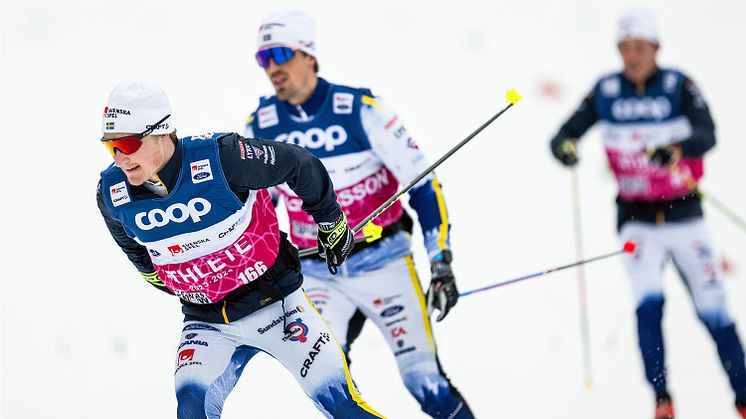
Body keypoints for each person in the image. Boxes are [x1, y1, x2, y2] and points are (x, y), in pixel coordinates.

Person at [96, 80, 385, 418]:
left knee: (342, 404)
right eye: (111, 147)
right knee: (192, 411)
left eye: (128, 144)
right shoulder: (112, 191)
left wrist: (330, 221)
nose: (120, 157)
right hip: (207, 322)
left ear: (162, 132)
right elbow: (131, 246)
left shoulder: (223, 158)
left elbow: (298, 163)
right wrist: (168, 277)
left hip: (278, 306)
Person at [245, 11, 474, 419]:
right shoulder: (260, 125)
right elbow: (257, 214)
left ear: (309, 54)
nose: (273, 67)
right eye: (264, 59)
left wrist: (440, 260)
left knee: (424, 381)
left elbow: (424, 184)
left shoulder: (361, 109)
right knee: (330, 388)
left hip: (383, 260)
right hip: (318, 271)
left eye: (281, 53)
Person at [549, 9, 746, 419]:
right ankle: (662, 399)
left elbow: (708, 132)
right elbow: (564, 133)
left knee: (715, 311)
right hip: (637, 219)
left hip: (686, 217)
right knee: (648, 306)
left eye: (639, 47)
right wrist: (566, 147)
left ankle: (743, 396)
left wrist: (676, 149)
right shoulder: (606, 90)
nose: (632, 56)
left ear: (655, 47)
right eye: (624, 48)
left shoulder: (679, 85)